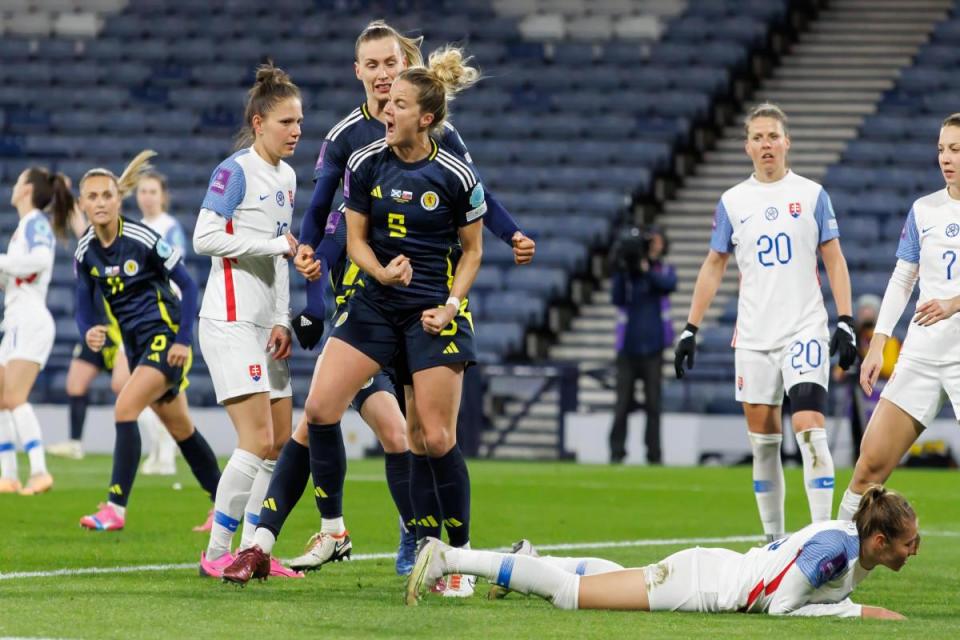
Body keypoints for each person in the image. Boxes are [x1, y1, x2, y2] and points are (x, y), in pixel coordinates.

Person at [243, 20, 534, 586]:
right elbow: (327, 222)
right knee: (321, 415)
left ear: (408, 71)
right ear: (358, 72)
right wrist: (314, 279)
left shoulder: (438, 135)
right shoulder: (350, 143)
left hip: (426, 300)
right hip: (369, 299)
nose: (382, 77)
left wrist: (511, 235)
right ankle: (325, 531)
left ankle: (438, 547)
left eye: (391, 66)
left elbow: (476, 200)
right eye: (372, 66)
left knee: (423, 435)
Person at [674, 103, 858, 542]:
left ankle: (820, 539)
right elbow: (713, 264)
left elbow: (833, 259)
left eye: (772, 136)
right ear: (747, 147)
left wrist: (846, 319)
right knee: (763, 442)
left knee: (810, 428)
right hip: (754, 336)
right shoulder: (734, 202)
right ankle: (774, 542)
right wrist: (690, 327)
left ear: (786, 142)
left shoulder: (812, 195)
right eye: (757, 137)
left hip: (804, 328)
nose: (766, 144)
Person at [407, 485, 915, 621]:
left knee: (613, 576)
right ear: (878, 541)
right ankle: (450, 559)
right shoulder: (836, 554)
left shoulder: (848, 539)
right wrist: (853, 612)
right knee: (572, 597)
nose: (914, 550)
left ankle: (529, 557)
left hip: (710, 572)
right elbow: (781, 604)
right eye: (908, 542)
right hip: (701, 586)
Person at [74, 151, 221, 531]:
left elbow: (189, 286)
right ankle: (224, 505)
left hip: (166, 338)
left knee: (125, 408)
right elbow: (83, 304)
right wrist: (88, 329)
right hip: (138, 347)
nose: (101, 202)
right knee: (181, 429)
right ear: (82, 204)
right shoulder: (85, 252)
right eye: (92, 196)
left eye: (107, 194)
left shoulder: (142, 238)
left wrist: (183, 340)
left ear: (118, 199)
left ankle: (115, 508)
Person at [194, 64, 301, 579]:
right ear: (259, 122)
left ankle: (254, 550)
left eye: (300, 121)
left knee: (278, 443)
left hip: (266, 326)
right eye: (286, 121)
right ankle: (217, 551)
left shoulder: (288, 176)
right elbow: (204, 237)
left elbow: (282, 255)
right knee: (256, 441)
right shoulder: (234, 171)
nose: (297, 130)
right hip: (230, 319)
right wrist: (270, 244)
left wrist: (282, 317)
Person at [837, 113, 960, 520]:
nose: (946, 157)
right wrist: (878, 345)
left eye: (955, 149)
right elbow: (903, 277)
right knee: (869, 467)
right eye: (941, 148)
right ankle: (829, 570)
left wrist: (953, 303)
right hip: (923, 354)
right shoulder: (924, 210)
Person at [0, 166, 73, 495]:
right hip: (15, 317)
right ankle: (9, 475)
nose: (13, 186)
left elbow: (41, 260)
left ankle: (40, 471)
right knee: (2, 400)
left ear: (27, 189)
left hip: (30, 319)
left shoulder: (35, 225)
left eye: (18, 181)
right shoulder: (22, 228)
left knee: (14, 397)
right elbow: (16, 276)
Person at [608, 226, 676, 464]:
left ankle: (654, 454)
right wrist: (621, 268)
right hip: (627, 348)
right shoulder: (627, 274)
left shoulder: (662, 270)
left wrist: (646, 270)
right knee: (622, 404)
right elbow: (616, 298)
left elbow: (669, 284)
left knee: (653, 404)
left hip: (654, 348)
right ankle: (616, 452)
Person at [832, 294, 900, 464]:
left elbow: (890, 368)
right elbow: (838, 373)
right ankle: (858, 458)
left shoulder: (889, 341)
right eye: (863, 311)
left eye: (870, 310)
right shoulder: (855, 340)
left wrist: (869, 351)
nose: (866, 314)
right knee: (857, 431)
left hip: (881, 397)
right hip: (857, 397)